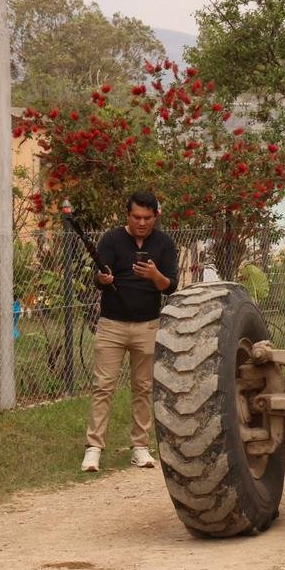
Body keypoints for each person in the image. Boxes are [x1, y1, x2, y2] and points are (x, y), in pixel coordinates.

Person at [82, 192, 180, 472]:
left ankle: (140, 447)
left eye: (147, 218)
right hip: (112, 325)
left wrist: (154, 275)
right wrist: (103, 279)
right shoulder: (112, 239)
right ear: (128, 215)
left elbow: (170, 287)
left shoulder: (164, 244)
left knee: (143, 387)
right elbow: (98, 278)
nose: (142, 223)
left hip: (148, 326)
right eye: (136, 217)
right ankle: (93, 448)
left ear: (155, 217)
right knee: (103, 386)